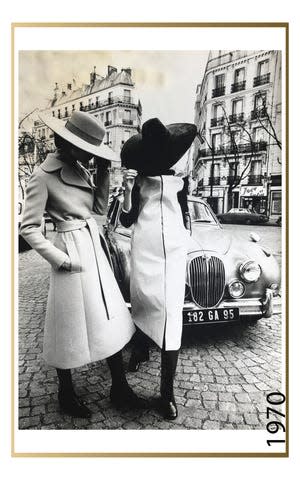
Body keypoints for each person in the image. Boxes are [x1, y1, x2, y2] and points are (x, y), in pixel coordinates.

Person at [21, 111, 145, 418]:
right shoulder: (42, 175)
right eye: (86, 149)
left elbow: (98, 210)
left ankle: (119, 385)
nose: (91, 156)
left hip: (93, 248)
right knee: (68, 324)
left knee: (109, 313)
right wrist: (60, 259)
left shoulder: (81, 168)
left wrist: (103, 171)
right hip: (71, 253)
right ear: (66, 142)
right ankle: (66, 392)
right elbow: (28, 227)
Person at [119, 117, 197, 420]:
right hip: (146, 251)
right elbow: (127, 220)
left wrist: (185, 237)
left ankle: (167, 394)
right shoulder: (139, 184)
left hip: (174, 254)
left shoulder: (181, 183)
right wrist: (127, 193)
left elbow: (185, 214)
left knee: (171, 317)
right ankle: (140, 347)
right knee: (143, 301)